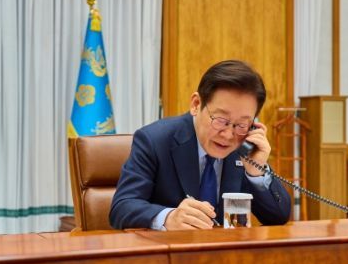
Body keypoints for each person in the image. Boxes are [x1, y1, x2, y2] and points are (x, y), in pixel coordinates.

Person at [109, 60, 291, 230]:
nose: (228, 135)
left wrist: (256, 172)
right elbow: (122, 207)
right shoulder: (154, 140)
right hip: (171, 250)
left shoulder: (244, 148)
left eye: (242, 124)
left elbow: (278, 217)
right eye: (221, 120)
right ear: (196, 104)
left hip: (228, 251)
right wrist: (168, 217)